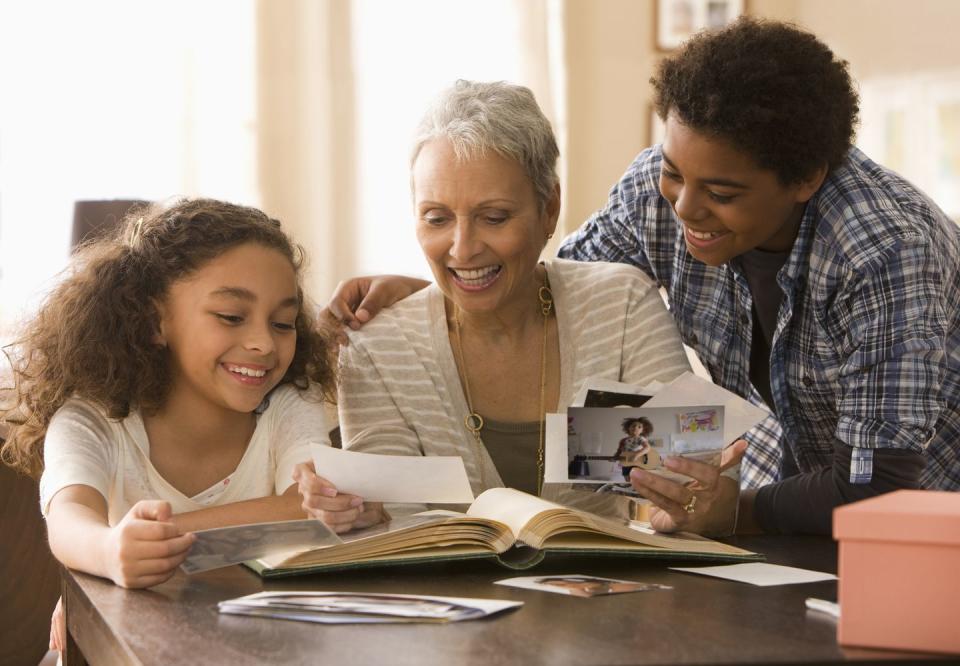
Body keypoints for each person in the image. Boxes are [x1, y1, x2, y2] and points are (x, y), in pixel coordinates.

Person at [325, 18, 960, 537]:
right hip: (790, 477)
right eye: (675, 171)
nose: (683, 207)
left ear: (804, 179)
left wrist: (731, 509)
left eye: (721, 192)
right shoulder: (654, 194)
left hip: (922, 509)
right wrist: (445, 289)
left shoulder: (887, 249)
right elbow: (548, 281)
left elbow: (878, 479)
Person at [296, 80, 692, 526]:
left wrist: (680, 504)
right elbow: (395, 518)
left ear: (549, 209)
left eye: (494, 217)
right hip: (447, 593)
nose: (462, 250)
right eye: (437, 218)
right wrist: (355, 507)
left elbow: (681, 480)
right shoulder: (376, 345)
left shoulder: (618, 305)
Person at [0, 199, 347, 652]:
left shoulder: (289, 405)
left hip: (263, 648)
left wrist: (158, 542)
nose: (264, 342)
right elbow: (68, 520)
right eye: (231, 317)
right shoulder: (92, 420)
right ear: (152, 322)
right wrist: (108, 555)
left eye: (282, 322)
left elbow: (305, 508)